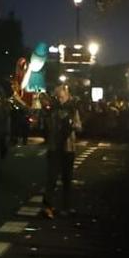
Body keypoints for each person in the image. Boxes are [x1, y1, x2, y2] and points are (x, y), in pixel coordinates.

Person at [42, 83, 78, 217]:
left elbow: (79, 125)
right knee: (51, 178)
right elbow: (47, 126)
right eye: (58, 97)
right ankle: (47, 206)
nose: (60, 99)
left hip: (68, 147)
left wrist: (71, 124)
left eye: (62, 97)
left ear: (67, 96)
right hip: (55, 147)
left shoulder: (73, 109)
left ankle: (66, 206)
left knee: (67, 179)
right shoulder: (52, 110)